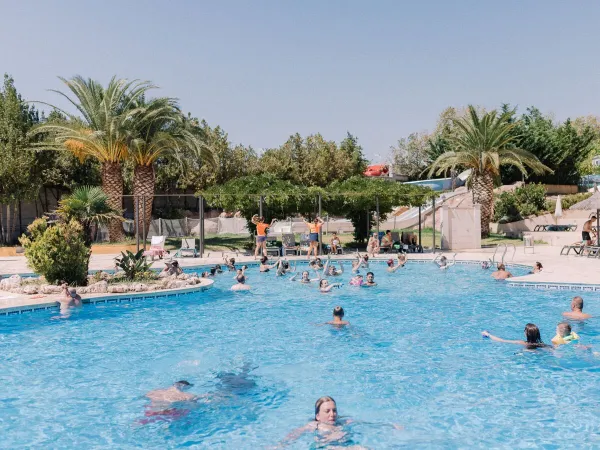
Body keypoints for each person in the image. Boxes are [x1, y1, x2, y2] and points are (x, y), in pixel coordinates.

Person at [482, 323, 551, 349]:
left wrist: (488, 334)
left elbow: (501, 340)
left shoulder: (521, 342)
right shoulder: (542, 345)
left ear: (526, 333)